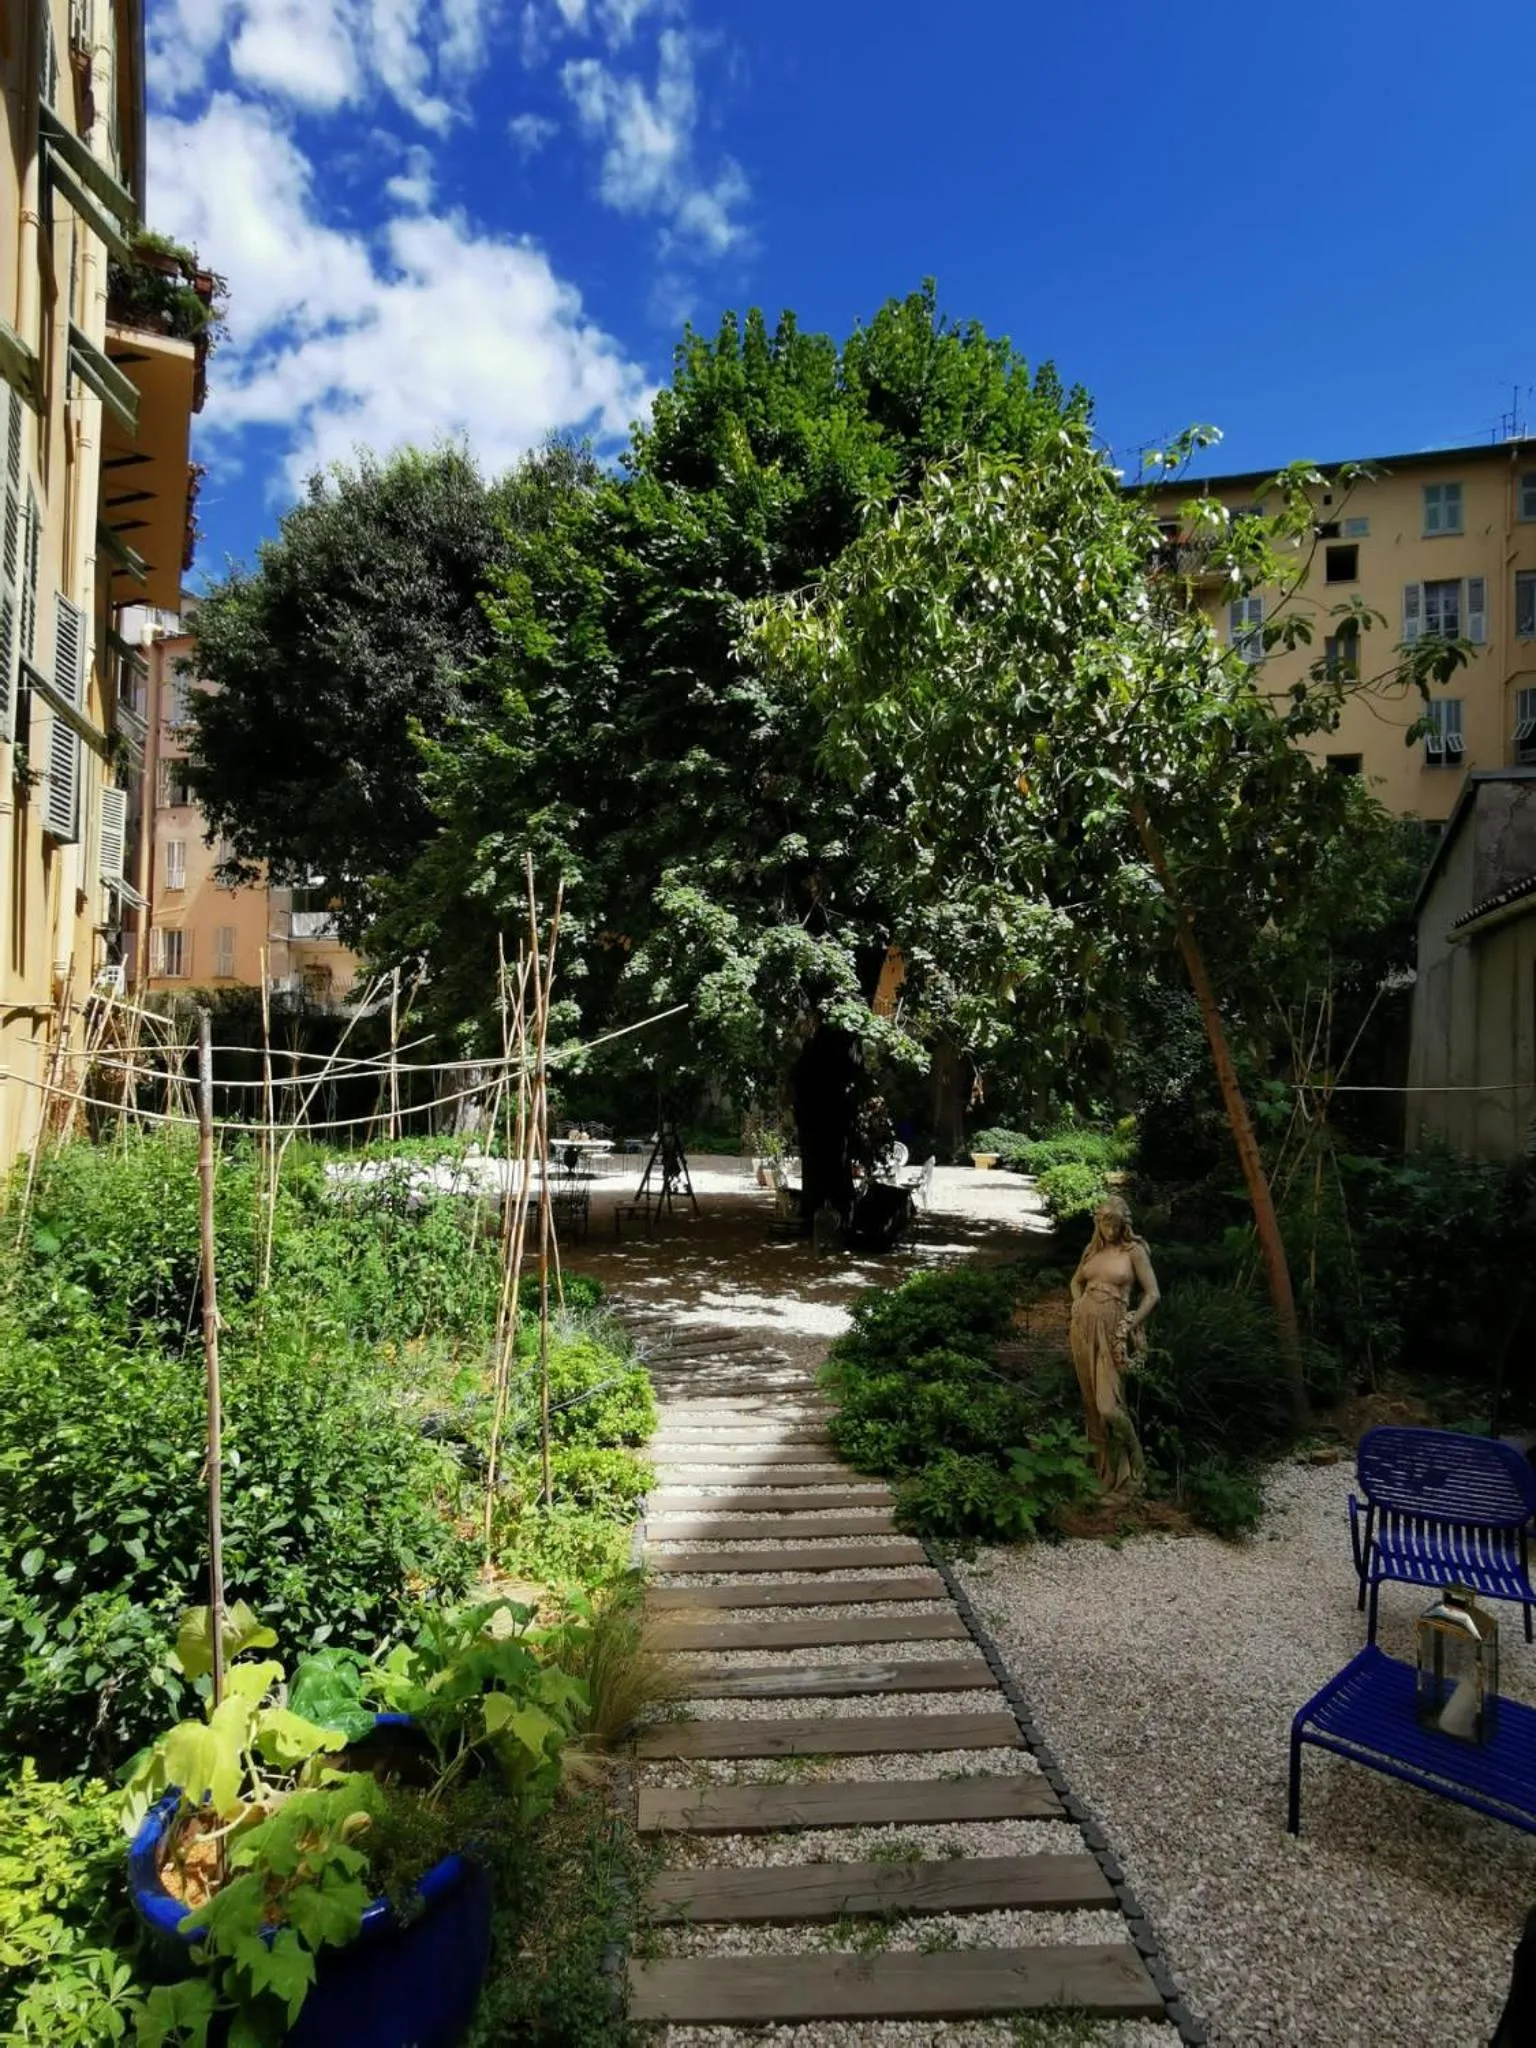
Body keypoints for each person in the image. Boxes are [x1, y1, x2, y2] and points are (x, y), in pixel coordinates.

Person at [1068, 1194, 1160, 1494]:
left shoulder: (1133, 1252)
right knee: (1091, 1405)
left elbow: (1153, 1294)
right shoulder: (1091, 1251)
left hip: (1113, 1329)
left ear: (1124, 1225)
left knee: (1109, 1406)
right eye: (1105, 1223)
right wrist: (1077, 1302)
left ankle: (1137, 1464)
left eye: (1116, 1224)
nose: (1110, 1229)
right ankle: (1102, 1473)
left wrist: (1130, 1324)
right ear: (1098, 1222)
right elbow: (1076, 1281)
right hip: (1083, 1328)